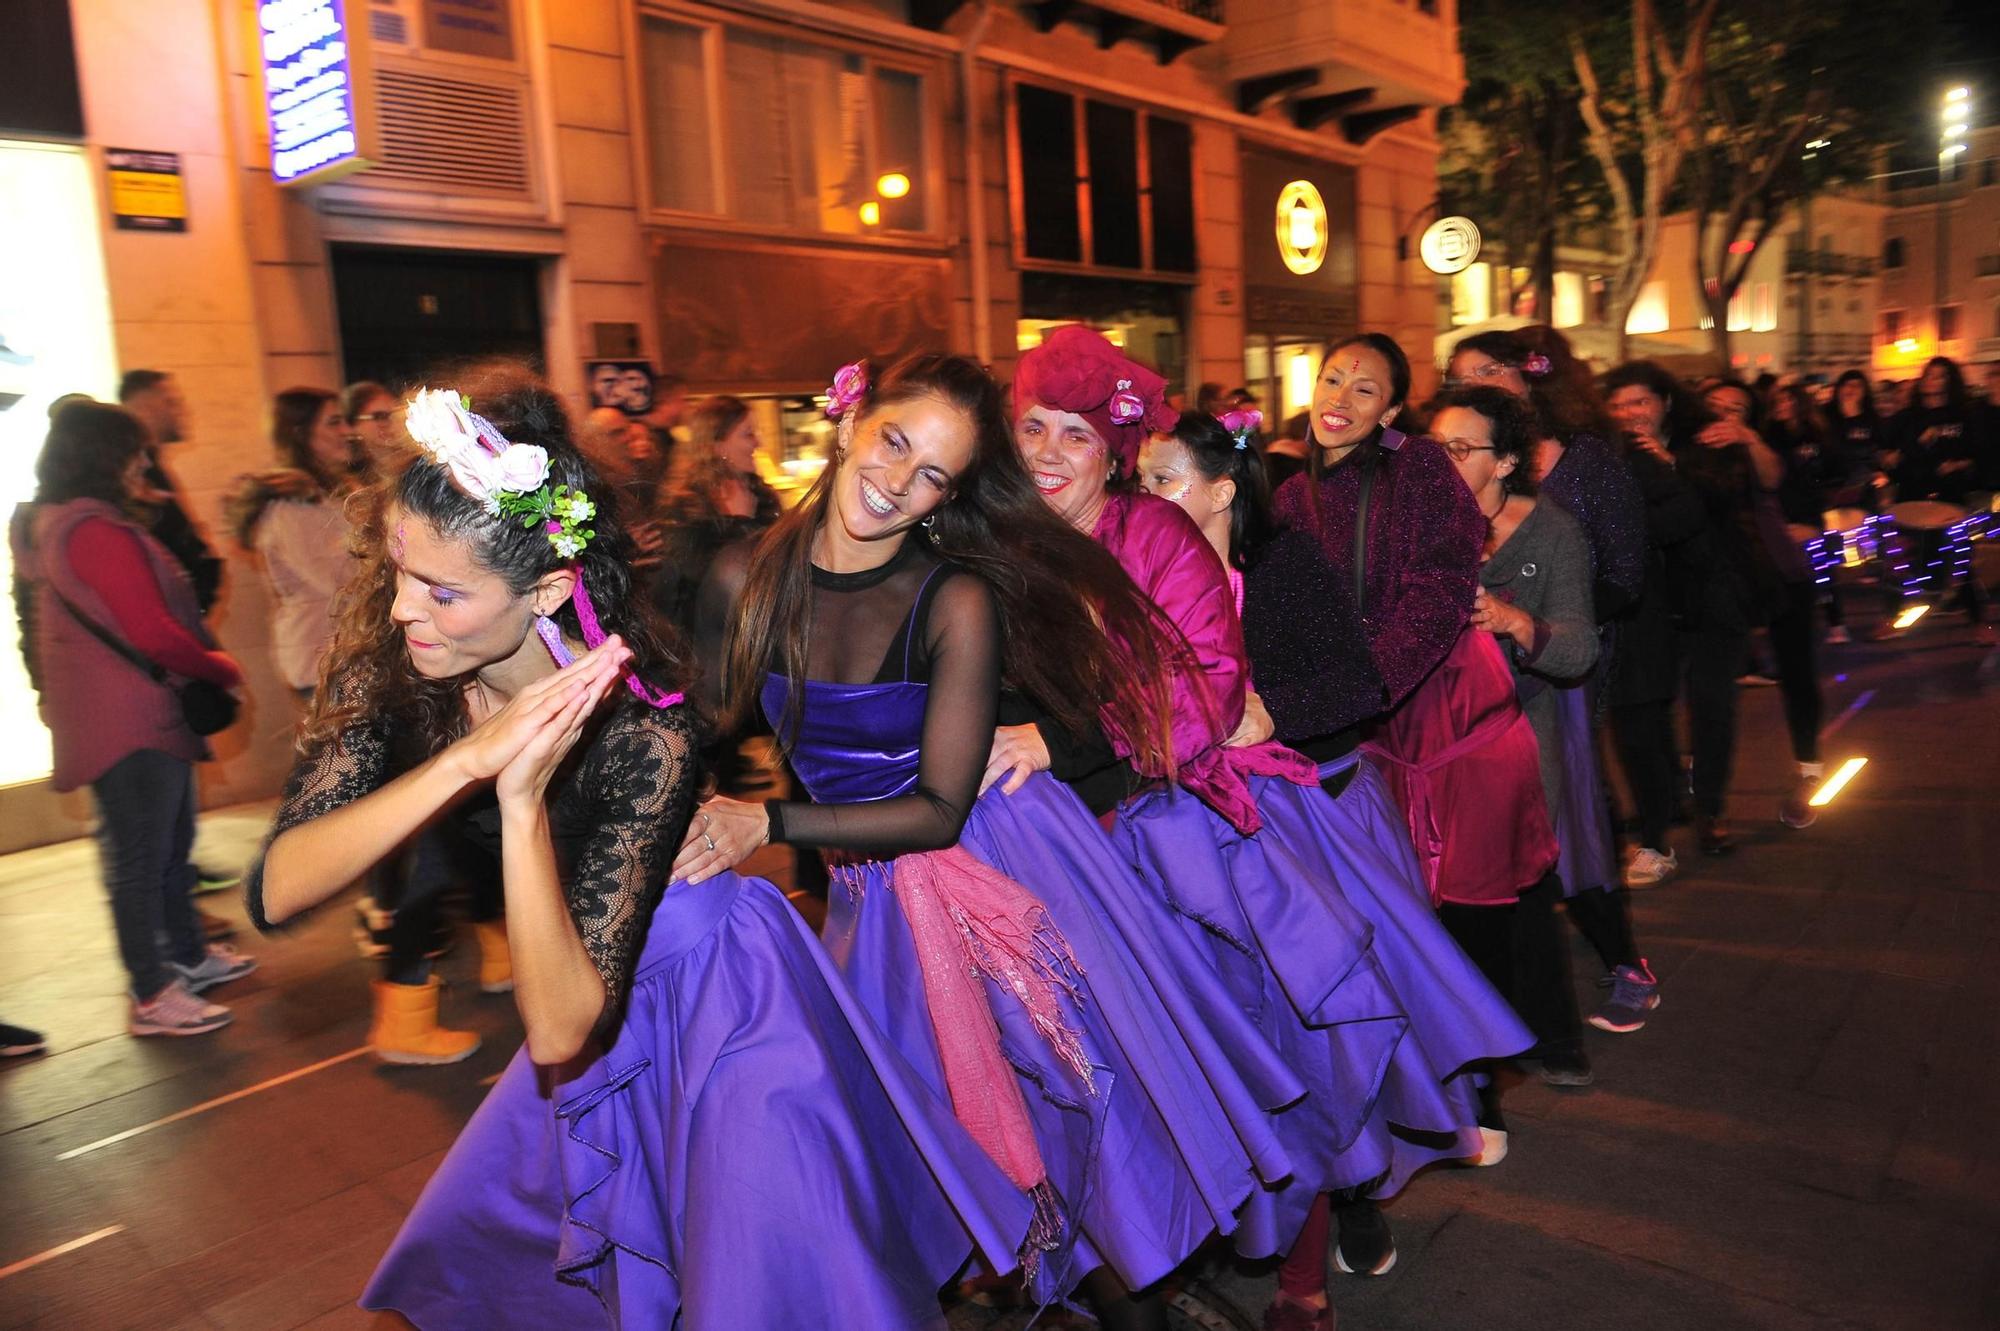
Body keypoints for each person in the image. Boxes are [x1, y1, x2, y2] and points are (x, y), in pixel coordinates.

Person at [246, 366, 1031, 1329]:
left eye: (442, 591)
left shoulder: (635, 729)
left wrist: (523, 795)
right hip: (572, 977)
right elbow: (279, 890)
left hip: (715, 992)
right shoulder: (402, 661)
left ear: (546, 588)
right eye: (401, 569)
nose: (404, 605)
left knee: (760, 1274)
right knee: (487, 1261)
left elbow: (558, 1028)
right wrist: (463, 766)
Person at [680, 353, 1286, 1329]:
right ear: (845, 424)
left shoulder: (950, 594)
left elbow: (935, 811)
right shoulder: (737, 571)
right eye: (893, 441)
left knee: (1057, 1116)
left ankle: (1141, 1306)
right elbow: (698, 717)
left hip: (986, 866)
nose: (898, 479)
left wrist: (760, 819)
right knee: (938, 1132)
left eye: (933, 475)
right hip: (865, 885)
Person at [1112, 394, 1534, 1328]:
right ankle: (1236, 1233)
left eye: (1164, 478)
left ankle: (1312, 1263)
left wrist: (1269, 711)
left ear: (1224, 490)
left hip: (1287, 831)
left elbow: (1354, 680)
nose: (1142, 495)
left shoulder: (1280, 565)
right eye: (1138, 479)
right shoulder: (1123, 573)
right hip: (1165, 847)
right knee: (1209, 1051)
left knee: (1314, 1043)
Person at [12, 402, 254, 1037]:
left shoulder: (65, 525)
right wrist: (217, 666)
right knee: (142, 856)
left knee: (168, 846)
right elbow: (152, 631)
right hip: (128, 716)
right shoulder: (93, 531)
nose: (145, 462)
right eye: (136, 451)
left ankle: (184, 955)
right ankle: (152, 993)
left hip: (126, 710)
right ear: (106, 456)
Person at [1444, 330, 1658, 1026]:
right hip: (1471, 698)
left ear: (1530, 378)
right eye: (1460, 376)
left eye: (1487, 370)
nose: (1473, 383)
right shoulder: (1440, 489)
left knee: (1571, 812)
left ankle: (1620, 957)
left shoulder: (1586, 465)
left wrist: (1534, 612)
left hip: (1563, 670)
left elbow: (1623, 573)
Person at [119, 370, 239, 910]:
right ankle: (167, 936)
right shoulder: (113, 505)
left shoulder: (149, 473)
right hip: (157, 669)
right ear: (140, 404)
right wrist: (204, 658)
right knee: (146, 824)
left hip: (173, 655)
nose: (180, 408)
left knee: (172, 805)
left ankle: (180, 906)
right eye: (170, 399)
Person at [1600, 364, 1715, 883]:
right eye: (1618, 405)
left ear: (1665, 402)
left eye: (1638, 402)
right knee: (1637, 727)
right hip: (1614, 611)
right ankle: (1664, 805)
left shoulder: (1651, 458)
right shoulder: (1599, 452)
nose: (1629, 415)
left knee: (1641, 728)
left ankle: (1657, 839)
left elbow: (1692, 516)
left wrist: (1627, 536)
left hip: (1656, 611)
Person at [1701, 380, 1827, 829]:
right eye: (1716, 407)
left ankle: (1809, 768)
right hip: (1719, 580)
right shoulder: (1684, 450)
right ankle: (1707, 793)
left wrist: (1749, 438)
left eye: (1737, 409)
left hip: (1778, 569)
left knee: (1797, 672)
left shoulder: (1760, 447)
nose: (1725, 416)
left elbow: (1773, 477)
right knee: (1713, 685)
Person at [223, 387, 365, 698]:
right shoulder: (292, 503)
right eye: (333, 423)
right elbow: (335, 578)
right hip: (324, 658)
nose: (346, 431)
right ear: (301, 433)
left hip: (346, 653)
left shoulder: (334, 490)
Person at [650, 394, 781, 636]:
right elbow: (696, 583)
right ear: (717, 445)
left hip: (759, 636)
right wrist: (740, 524)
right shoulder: (685, 507)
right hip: (704, 643)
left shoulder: (763, 497)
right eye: (748, 434)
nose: (758, 443)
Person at [343, 381, 406, 472]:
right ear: (352, 424)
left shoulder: (421, 468)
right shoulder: (349, 478)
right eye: (380, 416)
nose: (393, 424)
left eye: (395, 415)